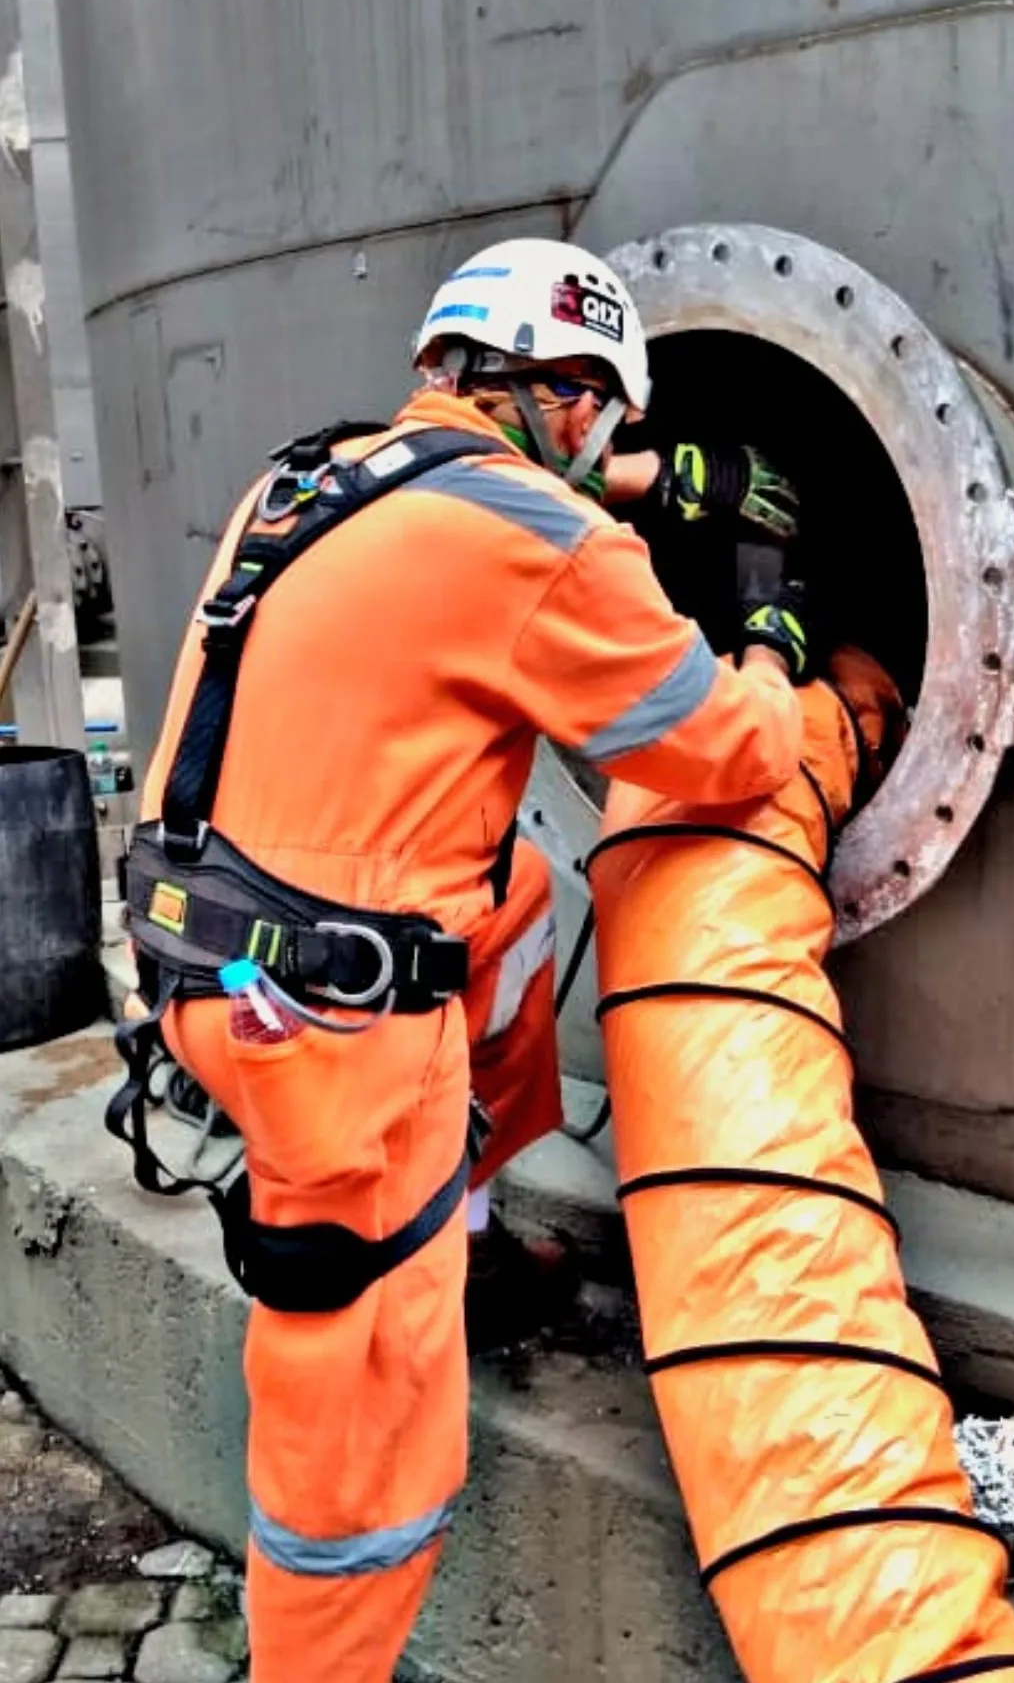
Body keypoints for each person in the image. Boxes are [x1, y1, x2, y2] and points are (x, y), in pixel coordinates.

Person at [118, 236, 808, 1683]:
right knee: (359, 1449)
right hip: (327, 1047)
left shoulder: (313, 477)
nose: (610, 445)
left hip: (196, 953)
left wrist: (656, 483)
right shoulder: (541, 546)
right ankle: (319, 1663)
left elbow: (473, 516)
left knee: (519, 891)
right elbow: (724, 753)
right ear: (563, 396)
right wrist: (769, 635)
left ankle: (477, 1234)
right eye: (606, 418)